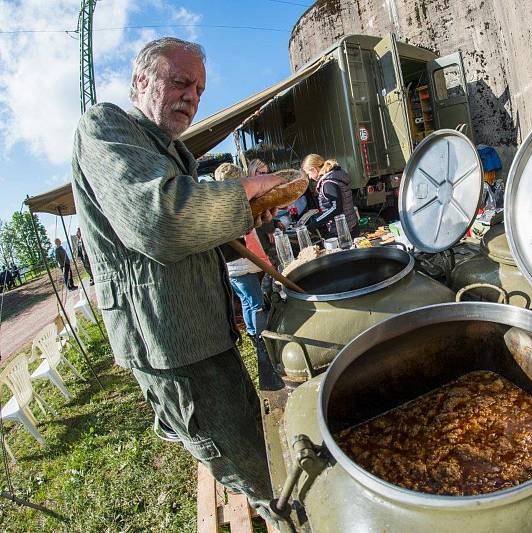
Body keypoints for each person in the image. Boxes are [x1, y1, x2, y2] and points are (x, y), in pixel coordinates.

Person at [71, 37, 286, 521]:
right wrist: (241, 190)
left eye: (200, 89)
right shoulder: (104, 127)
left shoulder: (171, 150)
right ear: (140, 81)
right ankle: (287, 518)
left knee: (247, 434)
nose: (192, 96)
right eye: (180, 81)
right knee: (251, 463)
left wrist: (250, 213)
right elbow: (160, 221)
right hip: (171, 343)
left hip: (203, 334)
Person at [213, 163, 283, 390]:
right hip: (239, 265)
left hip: (241, 265)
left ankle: (256, 334)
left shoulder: (231, 203)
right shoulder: (225, 206)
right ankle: (259, 339)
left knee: (248, 300)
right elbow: (245, 239)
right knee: (253, 302)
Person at [301, 154, 358, 236]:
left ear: (314, 169)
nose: (309, 177)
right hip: (351, 225)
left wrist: (315, 223)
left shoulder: (328, 183)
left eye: (308, 173)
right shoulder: (335, 176)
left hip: (343, 230)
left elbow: (336, 208)